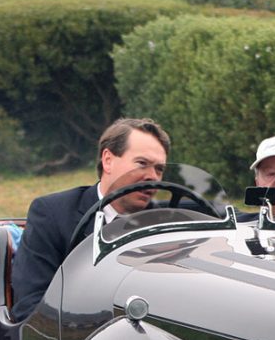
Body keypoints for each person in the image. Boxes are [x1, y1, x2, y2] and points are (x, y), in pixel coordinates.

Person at [9, 118, 171, 319]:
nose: (152, 177)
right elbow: (30, 305)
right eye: (142, 163)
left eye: (159, 169)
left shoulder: (165, 226)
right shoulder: (52, 214)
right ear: (108, 160)